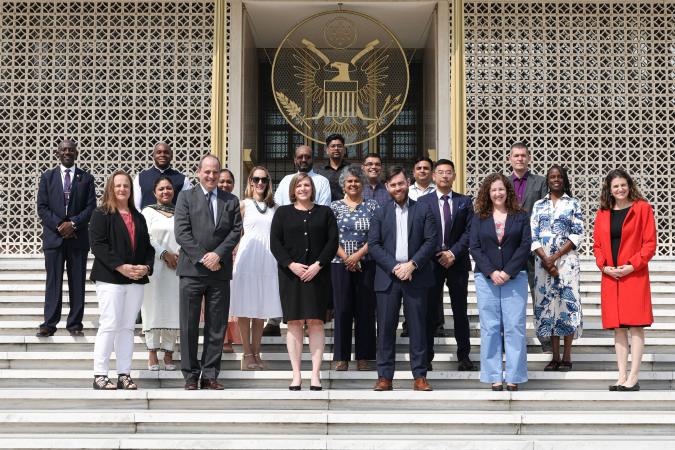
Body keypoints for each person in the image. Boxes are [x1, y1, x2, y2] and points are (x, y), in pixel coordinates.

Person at [174, 155, 242, 390]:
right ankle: (191, 375)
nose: (211, 176)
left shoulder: (231, 200)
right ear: (198, 172)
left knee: (217, 326)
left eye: (215, 172)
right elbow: (182, 233)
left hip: (219, 272)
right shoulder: (185, 197)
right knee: (189, 325)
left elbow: (235, 231)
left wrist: (218, 256)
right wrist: (205, 257)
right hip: (192, 270)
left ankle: (210, 373)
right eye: (207, 172)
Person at [368, 166, 437, 392]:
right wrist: (395, 266)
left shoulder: (423, 209)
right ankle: (385, 376)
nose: (398, 188)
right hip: (388, 277)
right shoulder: (379, 212)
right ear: (387, 187)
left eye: (401, 183)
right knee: (386, 329)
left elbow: (430, 241)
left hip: (416, 276)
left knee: (418, 328)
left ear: (408, 183)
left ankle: (420, 376)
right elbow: (374, 245)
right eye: (393, 185)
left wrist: (412, 264)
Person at [270, 173, 338, 390]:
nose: (303, 188)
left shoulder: (325, 212)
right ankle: (297, 374)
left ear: (312, 188)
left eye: (307, 185)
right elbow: (275, 243)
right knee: (294, 323)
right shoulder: (282, 213)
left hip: (318, 275)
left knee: (316, 323)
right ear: (293, 189)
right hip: (291, 276)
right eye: (299, 185)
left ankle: (316, 375)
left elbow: (332, 241)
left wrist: (318, 265)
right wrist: (291, 265)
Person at [89, 170, 154, 390]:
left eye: (125, 185)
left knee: (127, 328)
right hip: (110, 278)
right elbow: (98, 245)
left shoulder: (138, 216)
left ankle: (124, 374)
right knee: (110, 324)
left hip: (135, 280)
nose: (122, 189)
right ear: (110, 188)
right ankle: (100, 374)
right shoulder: (101, 214)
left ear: (131, 189)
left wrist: (146, 267)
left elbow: (148, 248)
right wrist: (121, 267)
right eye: (117, 185)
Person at [593, 169, 656, 392]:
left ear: (629, 185)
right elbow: (597, 246)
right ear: (609, 190)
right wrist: (604, 266)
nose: (620, 190)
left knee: (636, 326)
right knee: (618, 328)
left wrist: (632, 265)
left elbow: (649, 244)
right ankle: (621, 376)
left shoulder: (643, 209)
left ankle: (634, 377)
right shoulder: (602, 213)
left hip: (634, 275)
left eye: (623, 185)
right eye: (615, 187)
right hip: (611, 277)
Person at [470, 173, 531, 391]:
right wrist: (491, 272)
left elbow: (525, 246)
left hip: (515, 278)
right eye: (494, 190)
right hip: (486, 279)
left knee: (515, 327)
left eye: (501, 189)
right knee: (490, 328)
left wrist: (506, 272)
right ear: (488, 193)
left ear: (508, 192)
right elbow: (474, 247)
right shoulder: (478, 217)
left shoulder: (521, 216)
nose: (498, 193)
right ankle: (494, 375)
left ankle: (514, 375)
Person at [265, 145, 332, 337]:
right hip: (290, 246)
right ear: (295, 159)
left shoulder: (322, 181)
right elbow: (278, 208)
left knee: (313, 312)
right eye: (300, 157)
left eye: (307, 156)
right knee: (291, 305)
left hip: (315, 246)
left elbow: (323, 210)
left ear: (313, 159)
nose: (303, 159)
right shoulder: (287, 180)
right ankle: (275, 320)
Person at [417, 159, 475, 371]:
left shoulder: (464, 201)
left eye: (448, 172)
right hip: (431, 264)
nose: (444, 176)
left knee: (460, 311)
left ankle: (464, 356)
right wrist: (437, 253)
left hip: (457, 263)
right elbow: (422, 233)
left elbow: (470, 232)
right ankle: (427, 357)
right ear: (433, 176)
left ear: (454, 176)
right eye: (440, 172)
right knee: (430, 311)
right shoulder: (423, 202)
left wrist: (452, 253)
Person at [36, 139, 96, 337]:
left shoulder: (86, 178)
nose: (67, 152)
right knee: (53, 281)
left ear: (76, 153)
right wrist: (59, 225)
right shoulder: (47, 177)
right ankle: (49, 324)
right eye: (64, 150)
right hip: (54, 238)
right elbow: (42, 207)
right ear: (58, 153)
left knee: (77, 281)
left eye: (71, 149)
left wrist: (74, 224)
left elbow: (90, 207)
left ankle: (75, 324)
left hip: (78, 238)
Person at [530, 165, 584, 372]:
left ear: (564, 179)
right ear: (548, 180)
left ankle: (567, 356)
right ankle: (554, 356)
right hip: (543, 266)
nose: (556, 179)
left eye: (559, 176)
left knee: (566, 307)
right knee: (548, 308)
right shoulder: (538, 205)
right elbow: (533, 236)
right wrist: (546, 259)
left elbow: (576, 234)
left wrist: (555, 257)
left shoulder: (573, 204)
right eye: (552, 177)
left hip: (567, 265)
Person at [229, 166, 283, 370]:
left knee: (260, 309)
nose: (261, 183)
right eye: (257, 179)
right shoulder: (243, 205)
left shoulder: (275, 208)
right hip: (247, 258)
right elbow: (233, 233)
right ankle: (247, 353)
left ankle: (257, 352)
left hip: (267, 260)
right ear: (250, 181)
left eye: (265, 180)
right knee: (245, 307)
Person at [330, 165, 379, 371]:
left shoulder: (373, 206)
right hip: (339, 264)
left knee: (365, 310)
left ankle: (364, 356)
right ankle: (341, 357)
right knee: (342, 310)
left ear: (363, 184)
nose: (353, 184)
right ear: (343, 184)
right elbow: (330, 237)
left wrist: (358, 255)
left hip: (366, 263)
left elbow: (376, 235)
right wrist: (346, 257)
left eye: (357, 181)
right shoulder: (334, 207)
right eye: (349, 181)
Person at [508, 141, 549, 352]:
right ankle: (513, 341)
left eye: (523, 155)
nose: (520, 159)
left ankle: (546, 341)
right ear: (510, 159)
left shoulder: (541, 182)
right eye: (516, 155)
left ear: (529, 158)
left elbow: (545, 214)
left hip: (535, 249)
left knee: (539, 295)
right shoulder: (503, 183)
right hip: (510, 249)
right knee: (511, 299)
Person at [140, 176, 180, 371]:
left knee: (174, 309)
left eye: (169, 188)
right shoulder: (148, 212)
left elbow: (186, 234)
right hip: (155, 266)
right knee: (153, 308)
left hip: (177, 267)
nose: (166, 192)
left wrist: (180, 254)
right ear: (155, 192)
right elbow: (144, 236)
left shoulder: (180, 212)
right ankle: (152, 352)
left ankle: (169, 353)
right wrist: (164, 254)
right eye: (161, 189)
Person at [218, 168, 241, 353]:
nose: (225, 185)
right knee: (220, 299)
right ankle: (223, 338)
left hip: (236, 254)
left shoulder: (237, 204)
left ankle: (235, 337)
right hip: (215, 257)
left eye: (228, 182)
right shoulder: (211, 202)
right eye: (221, 181)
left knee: (234, 298)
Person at [133, 142, 192, 210]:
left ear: (171, 156)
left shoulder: (183, 180)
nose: (162, 155)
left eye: (166, 152)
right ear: (153, 155)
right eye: (159, 152)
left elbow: (187, 206)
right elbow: (136, 206)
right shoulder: (140, 178)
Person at [318, 133, 349, 202]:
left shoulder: (351, 169)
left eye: (339, 146)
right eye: (333, 146)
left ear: (344, 149)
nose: (336, 149)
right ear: (327, 150)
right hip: (325, 209)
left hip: (347, 209)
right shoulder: (320, 171)